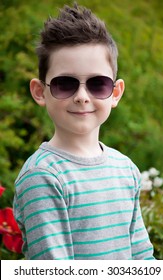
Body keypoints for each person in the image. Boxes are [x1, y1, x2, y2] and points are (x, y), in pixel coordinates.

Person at [13, 3, 155, 260]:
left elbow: (142, 259)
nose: (81, 97)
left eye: (97, 84)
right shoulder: (43, 177)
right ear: (39, 91)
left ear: (115, 93)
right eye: (64, 84)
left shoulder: (125, 169)